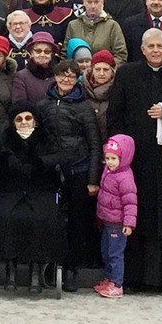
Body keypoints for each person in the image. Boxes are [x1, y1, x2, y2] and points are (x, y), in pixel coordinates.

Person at [106, 28, 162, 294]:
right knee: (137, 215)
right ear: (143, 49)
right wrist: (120, 152)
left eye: (160, 46)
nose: (156, 50)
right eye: (151, 46)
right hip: (136, 160)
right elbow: (115, 115)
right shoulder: (127, 74)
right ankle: (135, 278)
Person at [0, 103, 69, 286]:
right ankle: (10, 270)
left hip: (39, 192)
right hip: (10, 192)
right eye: (19, 119)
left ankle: (36, 270)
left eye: (28, 118)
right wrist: (4, 157)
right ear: (13, 123)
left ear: (35, 120)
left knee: (42, 219)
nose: (24, 122)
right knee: (6, 218)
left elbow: (63, 157)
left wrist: (41, 162)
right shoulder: (5, 138)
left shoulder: (46, 138)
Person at [36, 56, 101, 290]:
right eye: (62, 74)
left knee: (77, 221)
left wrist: (93, 179)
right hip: (52, 168)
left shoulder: (84, 107)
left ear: (77, 79)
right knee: (50, 219)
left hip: (79, 167)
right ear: (55, 76)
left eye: (71, 76)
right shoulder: (43, 104)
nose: (66, 79)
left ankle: (72, 268)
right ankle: (49, 265)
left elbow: (95, 143)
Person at [94, 135, 137, 298]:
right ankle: (109, 278)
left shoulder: (125, 178)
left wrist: (129, 223)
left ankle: (117, 284)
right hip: (106, 220)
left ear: (123, 158)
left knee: (115, 254)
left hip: (118, 224)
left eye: (114, 158)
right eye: (107, 158)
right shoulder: (108, 171)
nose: (110, 162)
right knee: (106, 252)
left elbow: (130, 203)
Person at [67, 0, 128, 65]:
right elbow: (66, 55)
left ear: (102, 2)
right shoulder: (73, 25)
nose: (93, 6)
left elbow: (121, 55)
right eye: (89, 2)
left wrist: (105, 69)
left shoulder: (112, 26)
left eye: (96, 2)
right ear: (84, 2)